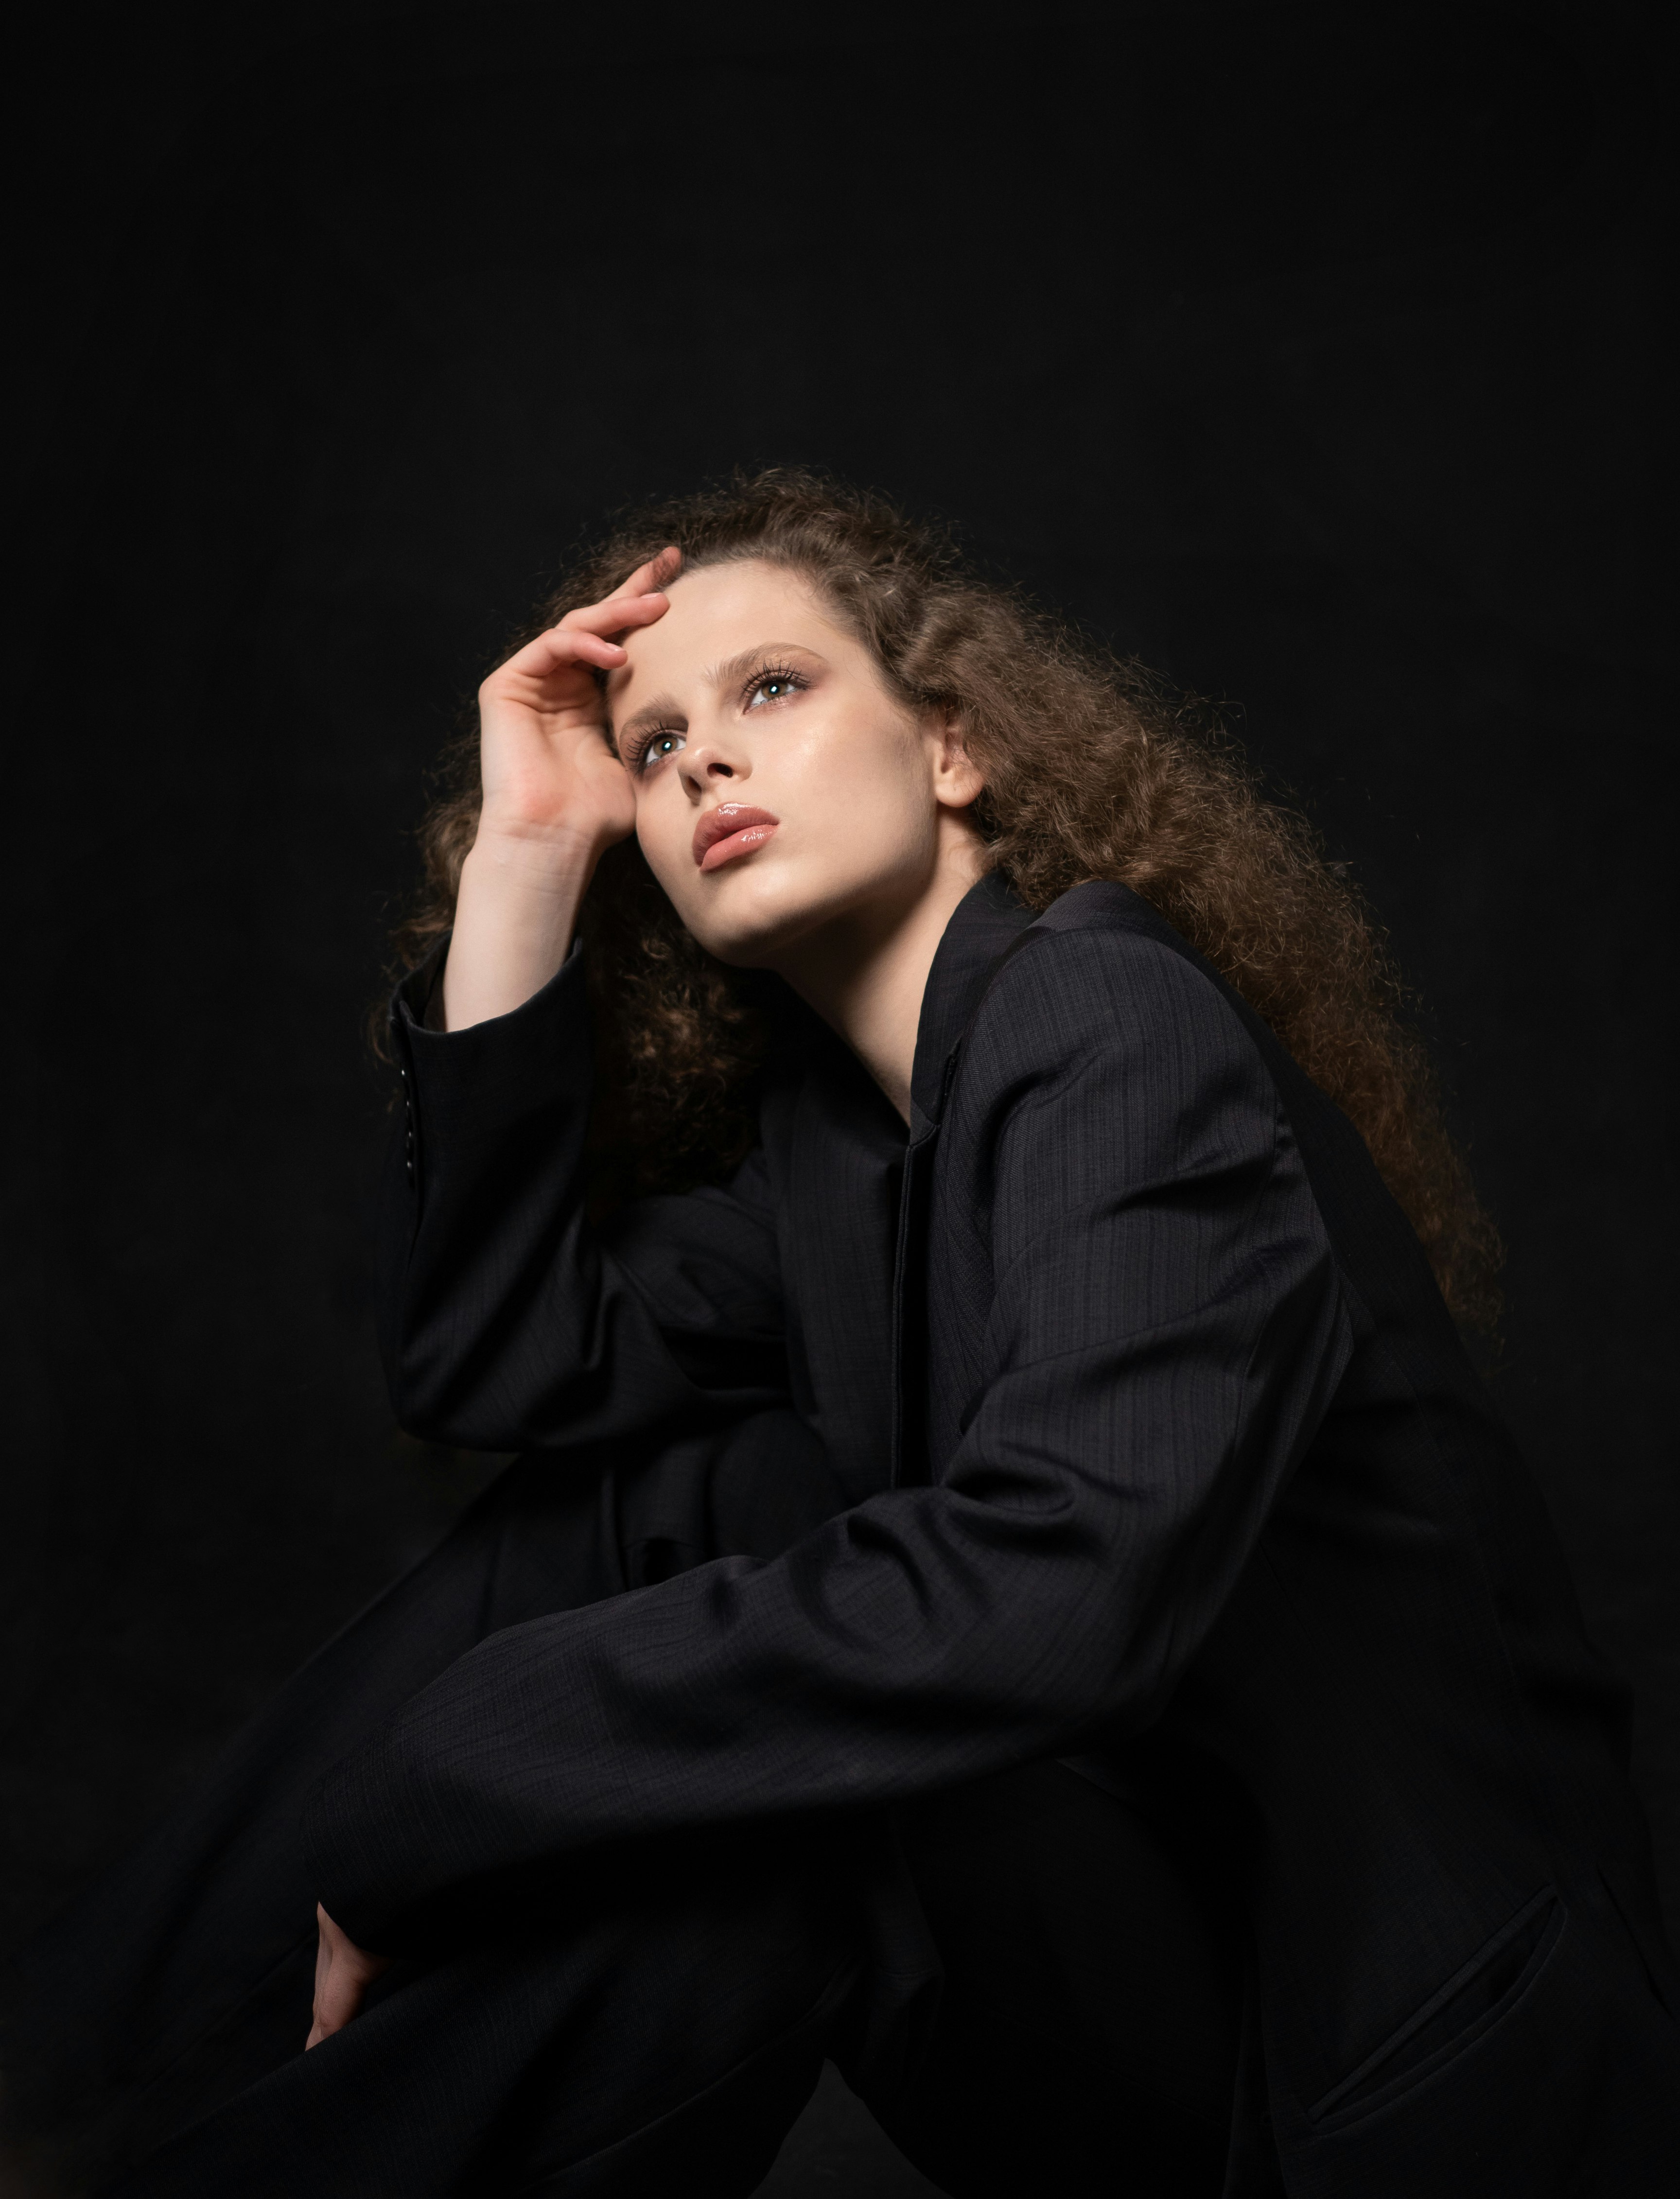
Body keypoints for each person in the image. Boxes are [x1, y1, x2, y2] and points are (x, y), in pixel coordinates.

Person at [3, 472, 1676, 2198]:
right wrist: (526, 854)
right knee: (677, 1508)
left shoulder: (1109, 1012)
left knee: (769, 1798)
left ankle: (85, 2101)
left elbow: (1061, 1587)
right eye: (653, 747)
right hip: (1154, 1996)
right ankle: (63, 2099)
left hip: (1401, 2077)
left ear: (950, 747)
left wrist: (458, 1767)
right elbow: (494, 1367)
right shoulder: (840, 1154)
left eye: (772, 691)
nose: (703, 759)